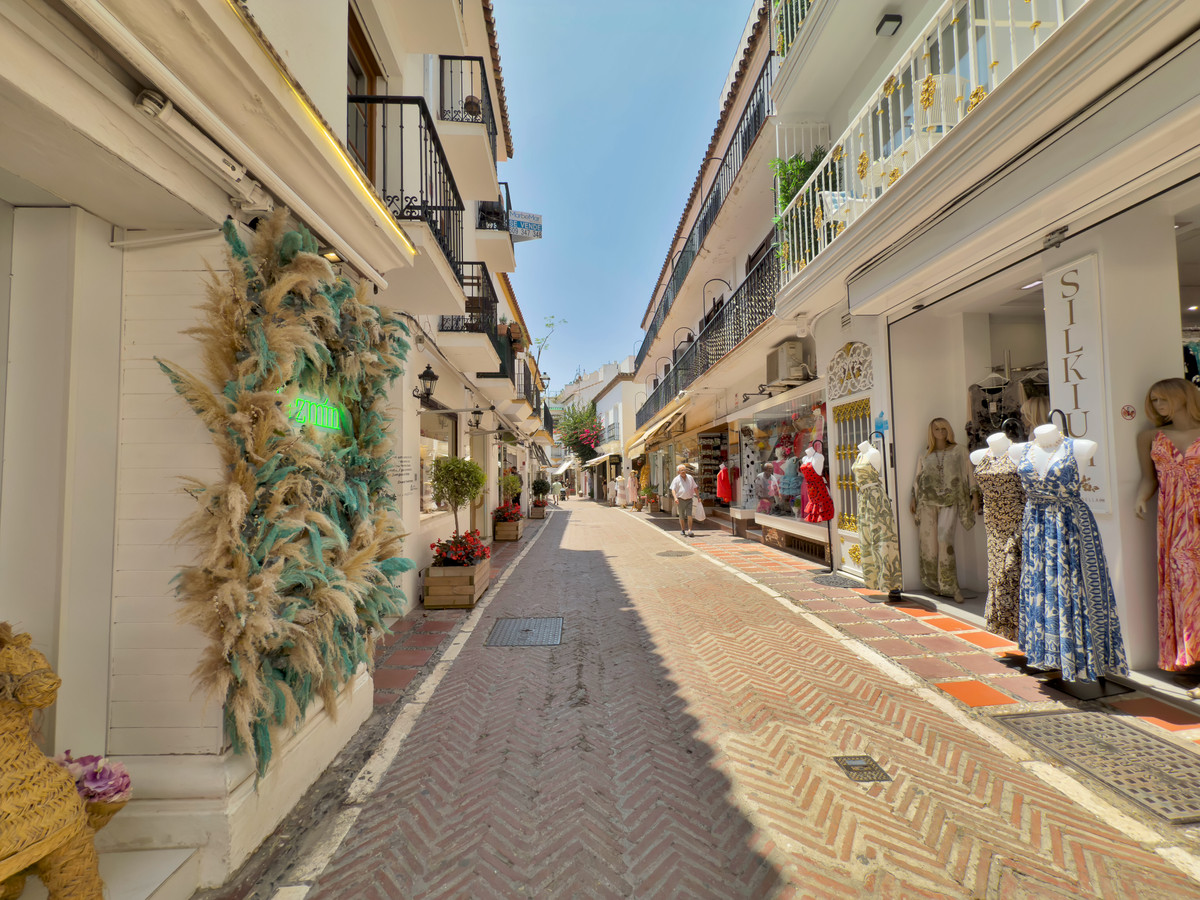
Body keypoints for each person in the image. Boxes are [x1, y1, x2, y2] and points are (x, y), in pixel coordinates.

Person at [909, 417, 977, 601]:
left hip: (950, 500)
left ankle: (951, 586)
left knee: (944, 540)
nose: (940, 432)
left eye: (943, 428)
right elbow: (918, 478)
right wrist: (913, 497)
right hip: (927, 502)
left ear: (949, 430)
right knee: (929, 545)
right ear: (931, 432)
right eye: (937, 429)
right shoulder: (925, 453)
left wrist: (974, 495)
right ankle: (934, 585)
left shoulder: (959, 450)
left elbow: (969, 473)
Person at [670, 463, 698, 537]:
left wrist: (698, 497)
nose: (683, 471)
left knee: (689, 515)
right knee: (681, 516)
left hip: (689, 499)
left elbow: (695, 487)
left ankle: (690, 530)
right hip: (680, 499)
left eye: (684, 470)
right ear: (678, 472)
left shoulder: (690, 477)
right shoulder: (676, 479)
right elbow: (673, 490)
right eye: (681, 470)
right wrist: (675, 498)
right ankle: (683, 529)